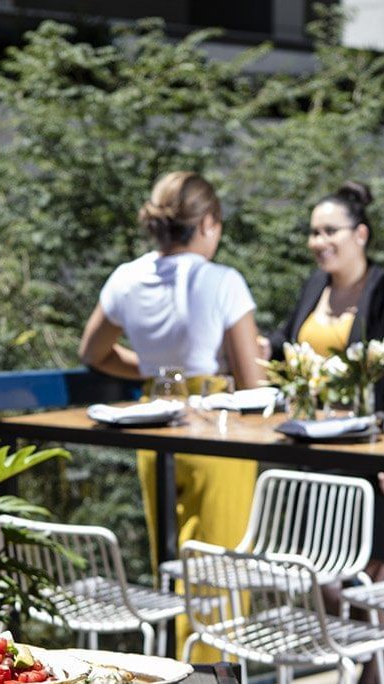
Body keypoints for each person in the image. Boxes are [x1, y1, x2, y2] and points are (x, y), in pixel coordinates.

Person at [79, 172, 264, 644]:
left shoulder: (127, 277)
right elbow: (252, 383)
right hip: (215, 428)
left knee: (172, 566)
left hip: (154, 420)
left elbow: (93, 353)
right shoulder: (222, 281)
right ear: (207, 223)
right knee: (220, 573)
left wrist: (154, 371)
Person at [270, 180, 384, 580]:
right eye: (313, 232)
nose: (318, 241)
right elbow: (280, 348)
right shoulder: (313, 287)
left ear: (360, 234)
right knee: (318, 570)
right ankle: (340, 644)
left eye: (329, 231)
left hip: (369, 454)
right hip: (312, 449)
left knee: (372, 573)